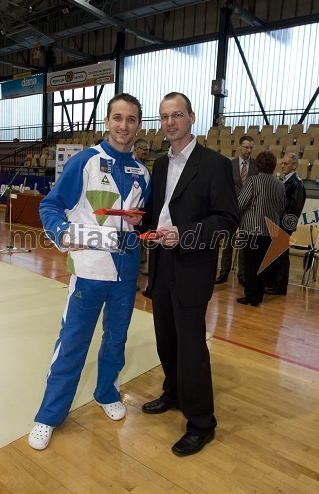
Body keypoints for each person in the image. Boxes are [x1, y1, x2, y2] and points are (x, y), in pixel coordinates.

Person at [28, 93, 151, 450]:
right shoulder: (86, 161)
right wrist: (63, 232)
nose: (123, 126)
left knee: (116, 340)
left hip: (126, 275)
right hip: (90, 271)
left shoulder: (143, 172)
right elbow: (51, 204)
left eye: (130, 119)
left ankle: (105, 391)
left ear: (138, 125)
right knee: (72, 345)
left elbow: (139, 223)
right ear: (107, 122)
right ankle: (48, 415)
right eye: (117, 118)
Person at [141, 92, 239, 456]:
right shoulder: (160, 164)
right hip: (161, 262)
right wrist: (139, 220)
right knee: (165, 338)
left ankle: (202, 423)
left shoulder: (215, 165)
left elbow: (227, 221)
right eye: (164, 116)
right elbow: (158, 211)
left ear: (192, 118)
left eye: (177, 114)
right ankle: (174, 393)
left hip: (192, 264)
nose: (170, 122)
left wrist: (186, 233)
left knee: (191, 347)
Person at [237, 150, 285, 307]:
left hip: (252, 228)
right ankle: (258, 296)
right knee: (263, 265)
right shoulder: (279, 184)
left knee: (251, 264)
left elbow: (241, 203)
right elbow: (281, 207)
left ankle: (251, 297)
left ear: (258, 165)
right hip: (271, 230)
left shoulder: (252, 181)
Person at [215, 135, 258, 286]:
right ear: (239, 147)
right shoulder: (230, 164)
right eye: (246, 147)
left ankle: (242, 274)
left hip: (249, 210)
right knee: (228, 242)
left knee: (244, 244)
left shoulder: (256, 165)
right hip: (231, 209)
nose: (248, 150)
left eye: (251, 147)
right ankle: (224, 273)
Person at [265, 153, 306, 295]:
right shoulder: (285, 180)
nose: (282, 166)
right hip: (279, 222)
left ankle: (280, 286)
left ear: (294, 166)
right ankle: (272, 283)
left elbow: (294, 206)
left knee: (281, 256)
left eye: (286, 163)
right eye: (282, 163)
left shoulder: (297, 183)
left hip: (285, 223)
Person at [133, 138, 150, 278]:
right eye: (145, 150)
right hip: (131, 213)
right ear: (137, 149)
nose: (147, 152)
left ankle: (141, 265)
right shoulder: (133, 166)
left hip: (140, 212)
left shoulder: (144, 168)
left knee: (141, 241)